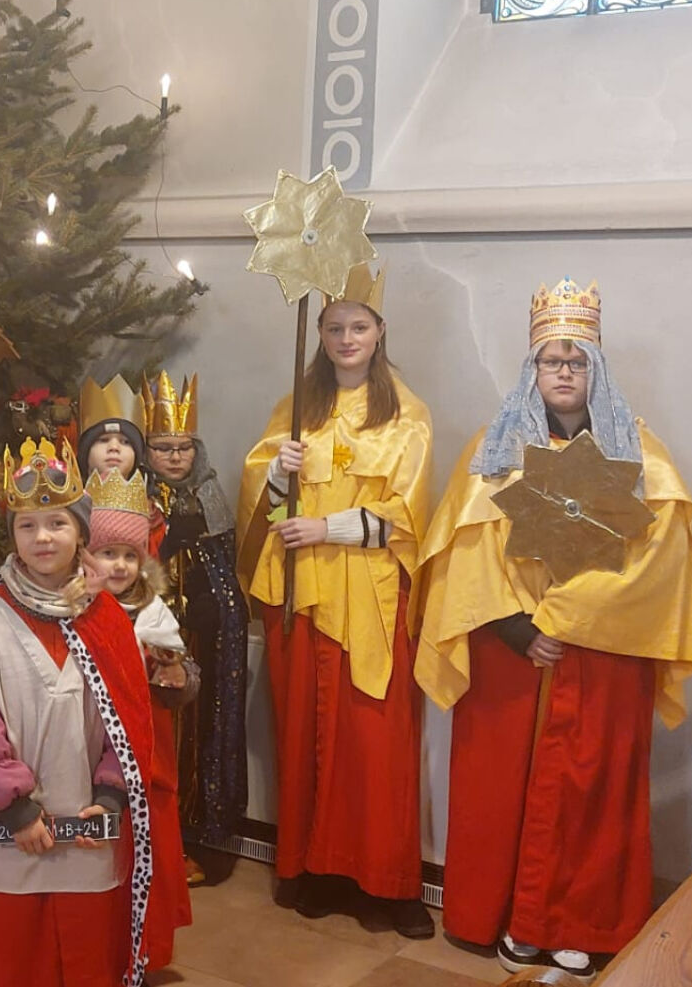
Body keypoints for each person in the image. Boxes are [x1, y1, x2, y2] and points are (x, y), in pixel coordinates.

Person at [416, 279, 692, 981]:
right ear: (532, 369)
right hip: (515, 652)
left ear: (596, 371)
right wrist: (519, 627)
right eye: (551, 360)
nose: (563, 372)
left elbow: (660, 557)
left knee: (592, 789)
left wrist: (568, 617)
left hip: (602, 650)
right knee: (508, 786)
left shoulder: (640, 455)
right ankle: (506, 914)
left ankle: (580, 921)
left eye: (576, 361)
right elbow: (465, 547)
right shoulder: (493, 451)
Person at [235, 267, 434, 937]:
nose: (346, 338)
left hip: (371, 595)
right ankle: (312, 870)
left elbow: (408, 511)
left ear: (379, 332)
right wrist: (276, 475)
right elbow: (264, 505)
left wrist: (328, 526)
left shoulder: (406, 413)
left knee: (377, 741)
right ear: (318, 334)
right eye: (334, 326)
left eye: (359, 325)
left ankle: (388, 883)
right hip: (303, 595)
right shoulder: (298, 407)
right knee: (306, 734)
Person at [0, 438, 154, 987]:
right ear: (11, 536)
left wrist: (108, 796)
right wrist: (15, 810)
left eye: (56, 523)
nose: (42, 538)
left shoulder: (107, 621)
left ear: (81, 531)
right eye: (27, 526)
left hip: (85, 829)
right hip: (3, 830)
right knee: (4, 962)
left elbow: (125, 725)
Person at [88, 467, 199, 971]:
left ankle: (147, 948)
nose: (119, 566)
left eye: (129, 556)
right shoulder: (77, 607)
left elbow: (176, 664)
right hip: (95, 743)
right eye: (107, 553)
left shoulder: (153, 610)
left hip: (148, 745)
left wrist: (172, 671)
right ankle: (106, 946)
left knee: (148, 840)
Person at [143, 371, 250, 875]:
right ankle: (165, 836)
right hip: (160, 637)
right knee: (167, 733)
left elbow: (223, 563)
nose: (176, 457)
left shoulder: (210, 492)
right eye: (163, 448)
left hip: (206, 637)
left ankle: (203, 827)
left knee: (204, 729)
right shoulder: (138, 498)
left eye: (183, 447)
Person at [76, 374, 166, 557]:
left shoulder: (153, 514)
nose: (114, 448)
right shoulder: (71, 507)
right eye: (103, 440)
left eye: (125, 442)